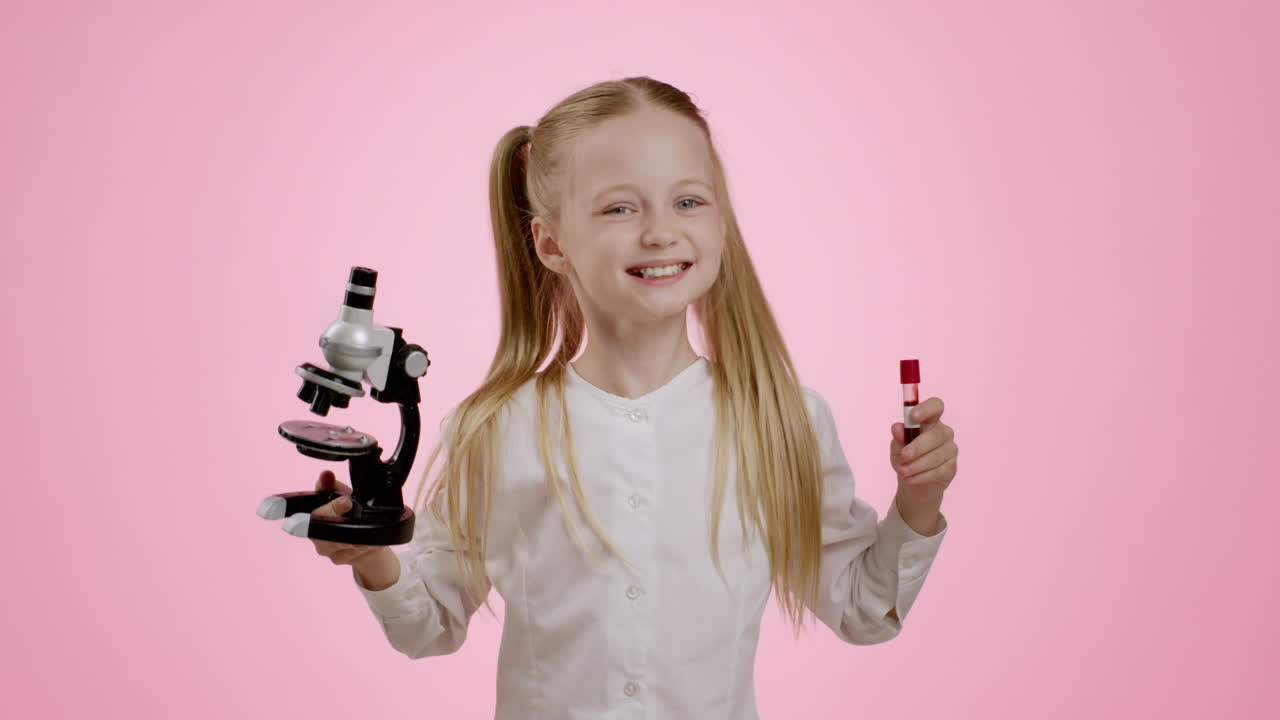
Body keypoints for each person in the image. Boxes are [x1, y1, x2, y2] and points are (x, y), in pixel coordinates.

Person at [309, 76, 957, 719]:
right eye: (620, 207)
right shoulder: (495, 428)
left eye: (688, 201)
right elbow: (430, 624)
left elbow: (864, 609)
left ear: (721, 224)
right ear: (552, 242)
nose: (659, 232)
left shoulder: (782, 421)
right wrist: (371, 556)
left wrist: (918, 500)